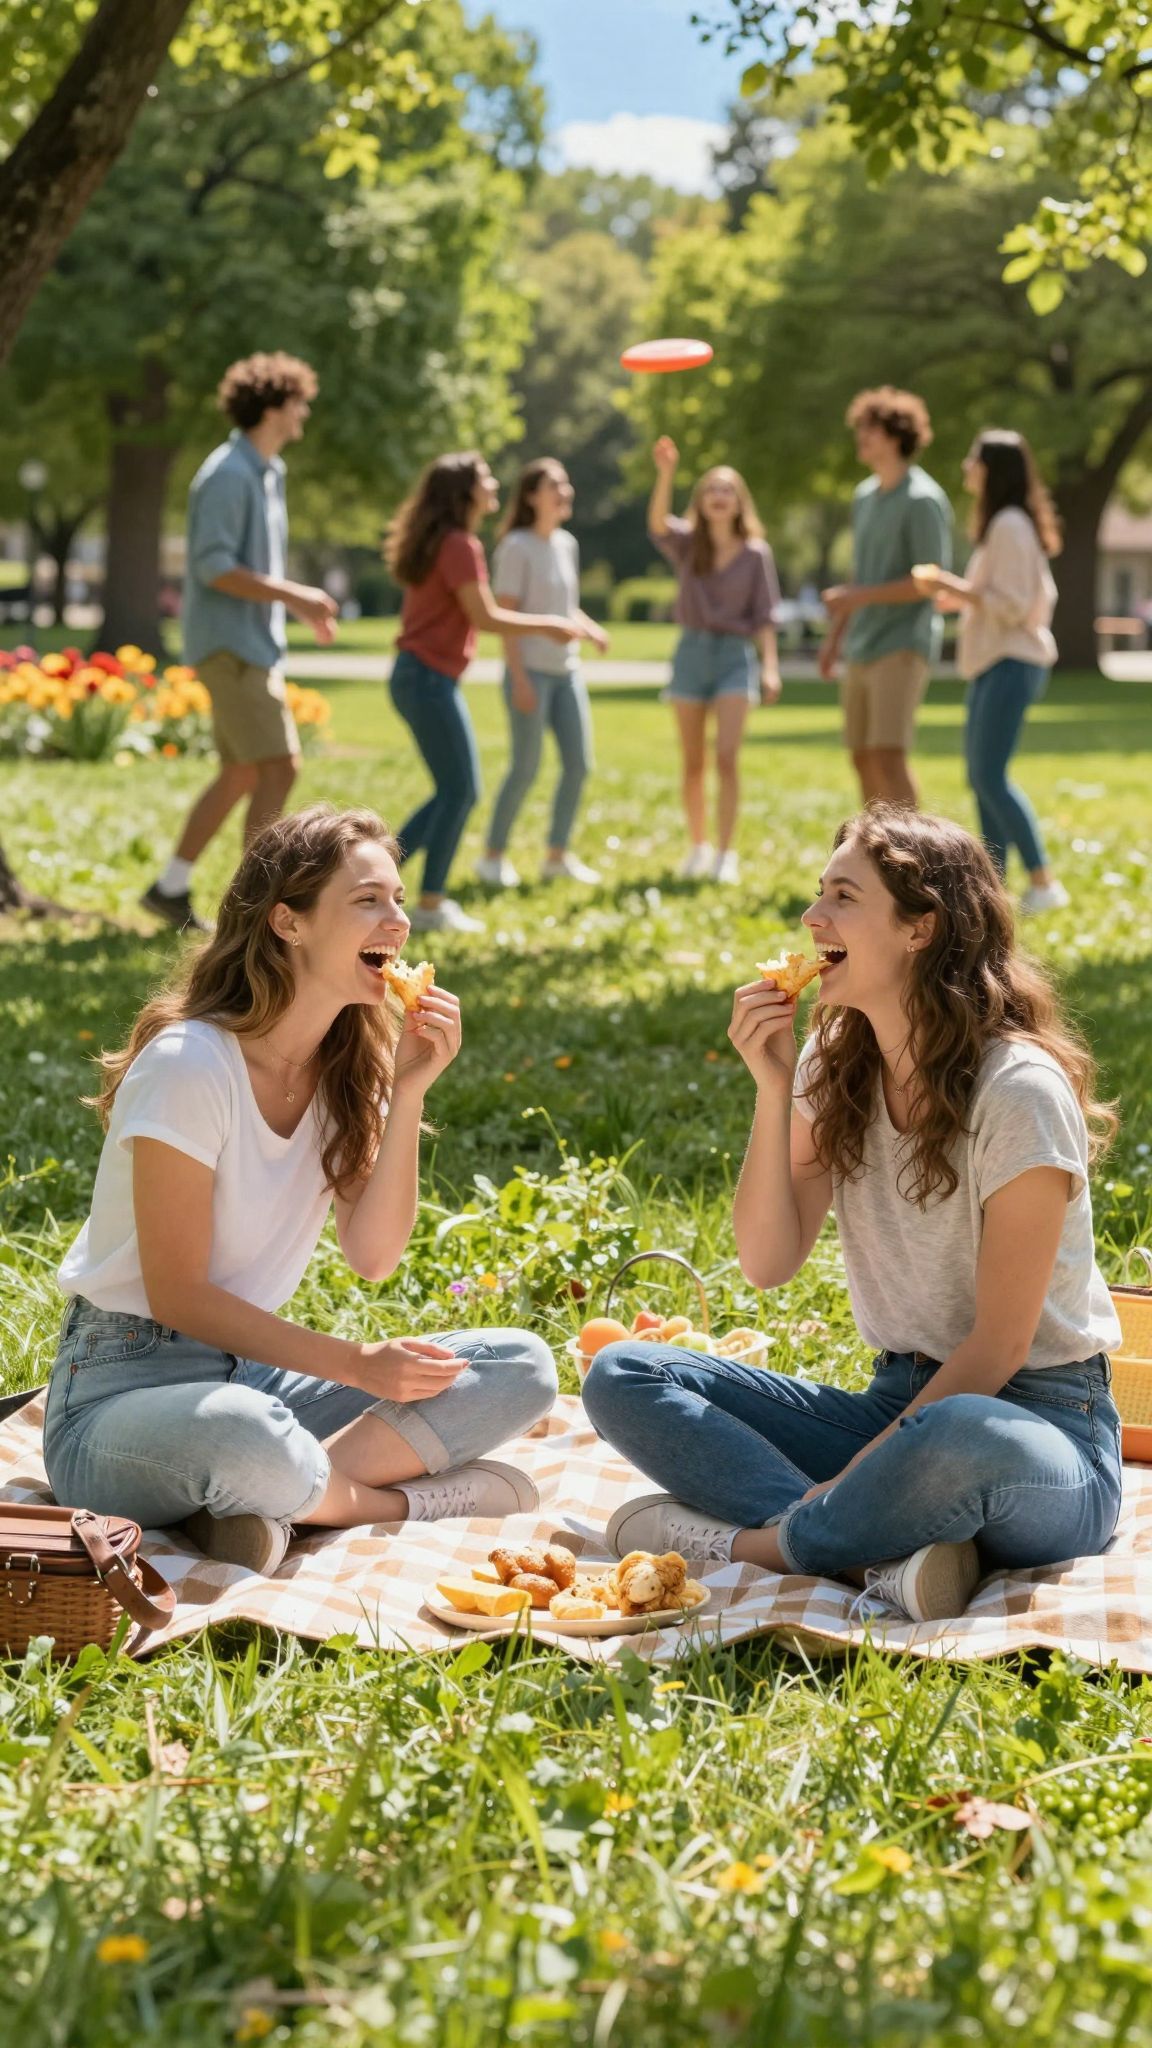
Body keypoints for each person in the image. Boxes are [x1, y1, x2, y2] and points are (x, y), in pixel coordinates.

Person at [583, 806, 1123, 1626]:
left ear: (920, 929)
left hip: (1039, 1428)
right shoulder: (832, 1062)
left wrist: (862, 1471)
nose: (812, 917)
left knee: (961, 1432)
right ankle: (883, 1543)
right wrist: (771, 1089)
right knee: (624, 1373)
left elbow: (1003, 1345)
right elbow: (768, 1262)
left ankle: (763, 1545)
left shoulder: (1019, 1091)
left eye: (843, 896)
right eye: (819, 894)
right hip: (895, 1399)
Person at [45, 805, 557, 1575]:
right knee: (241, 1433)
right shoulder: (191, 1065)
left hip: (248, 1373)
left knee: (520, 1366)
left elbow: (374, 1255)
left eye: (399, 900)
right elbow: (178, 1294)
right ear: (288, 922)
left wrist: (410, 1094)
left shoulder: (348, 1071)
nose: (399, 922)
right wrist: (356, 1365)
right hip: (116, 1394)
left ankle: (271, 1502)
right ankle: (375, 1501)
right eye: (368, 901)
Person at [142, 353, 340, 934]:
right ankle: (253, 913)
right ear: (275, 406)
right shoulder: (230, 474)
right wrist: (296, 597)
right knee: (280, 767)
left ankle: (170, 887)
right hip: (230, 646)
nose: (305, 412)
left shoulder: (267, 471)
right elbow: (211, 567)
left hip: (247, 643)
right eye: (300, 401)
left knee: (242, 773)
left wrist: (294, 606)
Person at [385, 452, 581, 934]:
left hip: (422, 678)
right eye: (485, 478)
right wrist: (550, 625)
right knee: (462, 789)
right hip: (426, 679)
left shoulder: (447, 542)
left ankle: (381, 874)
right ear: (466, 492)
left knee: (453, 791)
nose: (495, 483)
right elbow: (486, 617)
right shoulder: (458, 545)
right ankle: (428, 902)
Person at [914, 431, 1068, 916]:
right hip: (996, 662)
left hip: (1012, 661)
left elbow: (1015, 605)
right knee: (981, 777)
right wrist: (961, 596)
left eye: (973, 459)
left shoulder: (1010, 525)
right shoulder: (1005, 525)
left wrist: (952, 586)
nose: (966, 466)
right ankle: (995, 889)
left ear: (992, 469)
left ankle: (1044, 883)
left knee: (989, 775)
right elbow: (1003, 598)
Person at [648, 437, 782, 885]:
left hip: (734, 656)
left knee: (726, 759)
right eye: (711, 490)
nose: (719, 496)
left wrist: (770, 666)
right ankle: (698, 847)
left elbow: (765, 616)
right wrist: (666, 473)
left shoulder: (755, 552)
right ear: (701, 502)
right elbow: (657, 525)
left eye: (727, 489)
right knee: (692, 761)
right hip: (691, 651)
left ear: (739, 501)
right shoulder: (688, 545)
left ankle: (725, 854)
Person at [477, 457, 609, 889]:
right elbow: (506, 616)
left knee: (579, 765)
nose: (564, 491)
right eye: (555, 484)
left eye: (566, 484)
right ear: (532, 495)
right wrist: (518, 678)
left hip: (567, 672)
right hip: (530, 672)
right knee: (525, 767)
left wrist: (590, 629)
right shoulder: (516, 546)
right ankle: (492, 857)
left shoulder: (566, 543)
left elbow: (563, 606)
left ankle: (557, 856)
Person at [820, 388, 953, 810]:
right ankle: (878, 856)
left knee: (888, 755)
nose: (861, 437)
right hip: (862, 643)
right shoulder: (864, 497)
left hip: (902, 644)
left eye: (869, 429)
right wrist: (834, 638)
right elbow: (860, 575)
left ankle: (915, 862)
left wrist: (859, 596)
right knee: (861, 756)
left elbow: (928, 580)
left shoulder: (922, 500)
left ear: (896, 435)